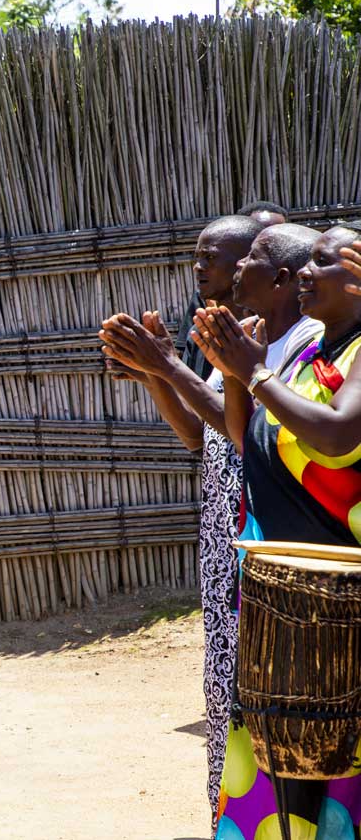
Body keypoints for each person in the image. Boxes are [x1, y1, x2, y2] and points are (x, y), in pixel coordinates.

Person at [100, 218, 320, 820]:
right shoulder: (224, 336)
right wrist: (153, 371)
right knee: (227, 677)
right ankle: (232, 812)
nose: (203, 269)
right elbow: (201, 437)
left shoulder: (283, 342)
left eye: (217, 258)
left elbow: (239, 429)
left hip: (259, 519)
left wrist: (168, 365)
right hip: (225, 517)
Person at [193, 223, 361, 838]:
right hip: (276, 594)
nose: (308, 276)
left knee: (334, 771)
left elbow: (340, 433)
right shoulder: (310, 355)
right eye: (306, 263)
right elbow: (246, 438)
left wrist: (257, 371)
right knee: (274, 769)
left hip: (340, 603)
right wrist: (232, 368)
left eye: (325, 264)